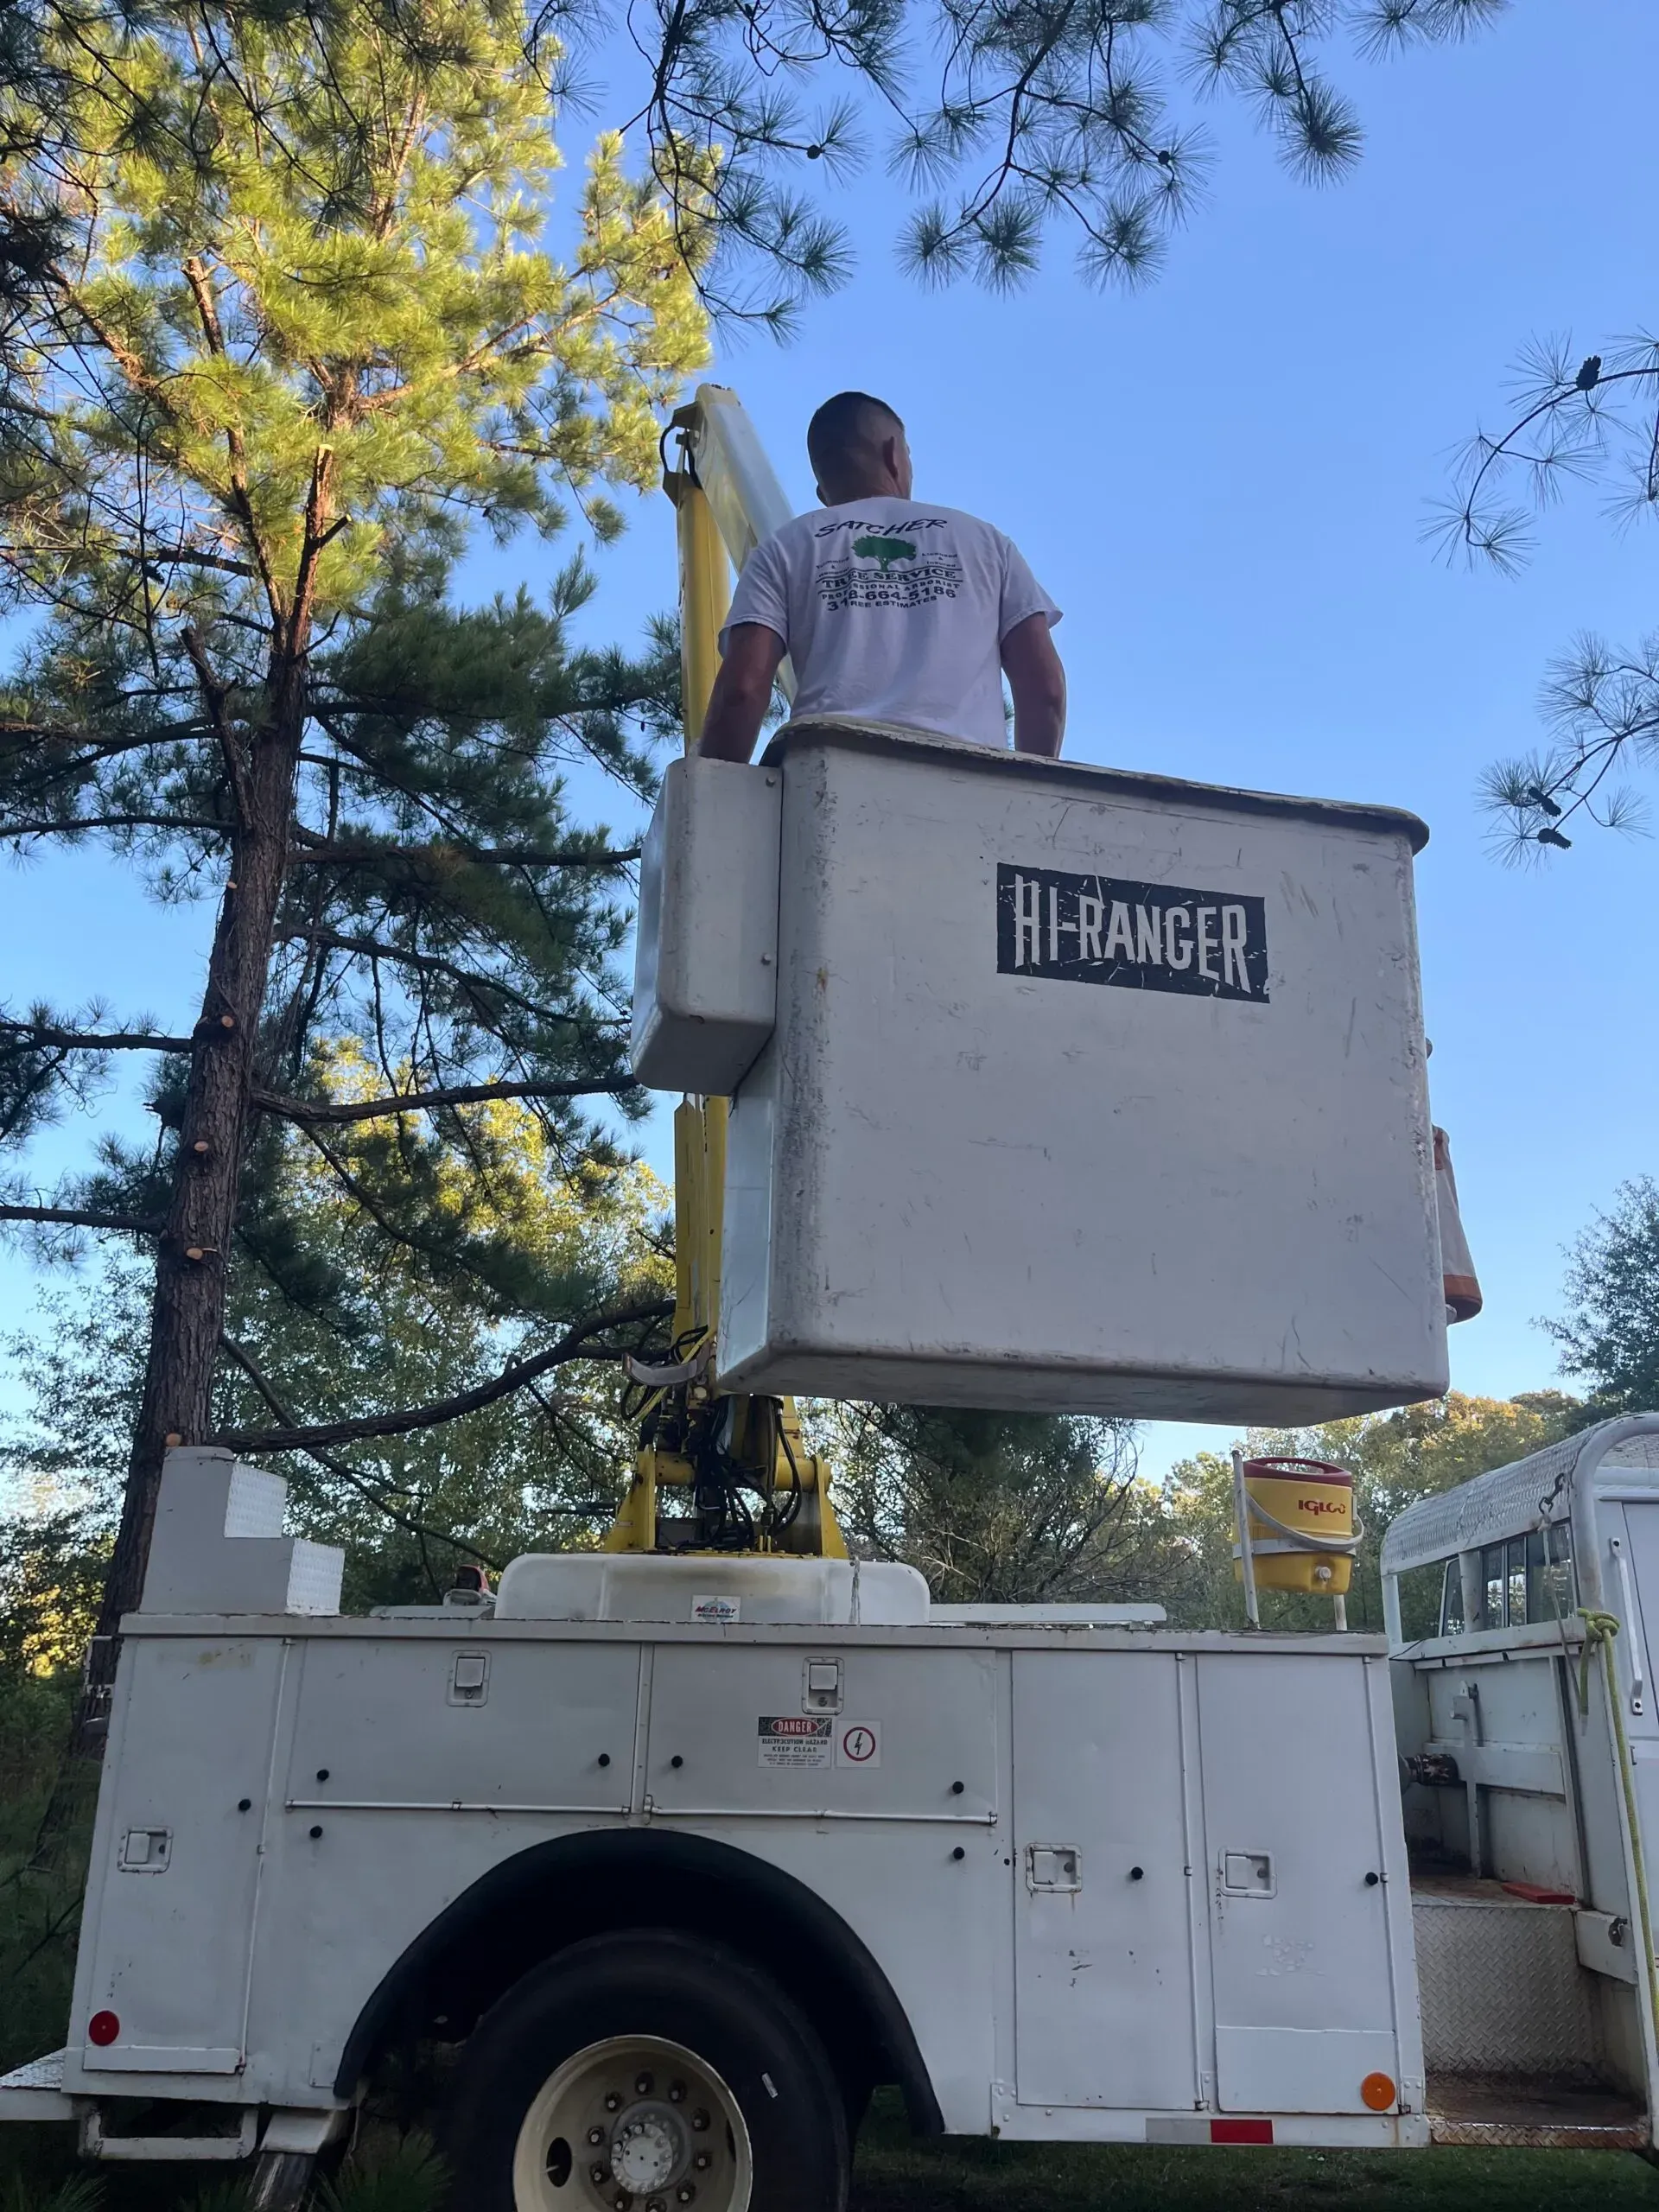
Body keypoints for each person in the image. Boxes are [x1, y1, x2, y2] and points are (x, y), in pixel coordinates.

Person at [696, 391, 1066, 763]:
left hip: (829, 773)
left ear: (823, 493)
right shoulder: (987, 543)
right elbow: (1045, 690)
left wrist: (713, 790)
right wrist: (1031, 786)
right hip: (973, 780)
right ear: (893, 455)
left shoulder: (784, 548)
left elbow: (742, 690)